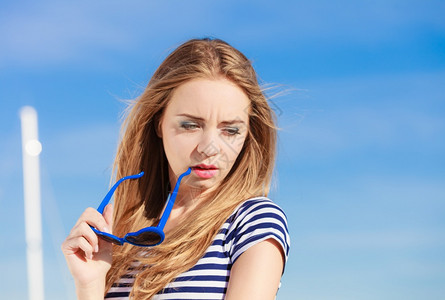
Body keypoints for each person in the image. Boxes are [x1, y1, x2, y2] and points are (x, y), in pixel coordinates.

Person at [62, 38, 290, 300]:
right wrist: (89, 284)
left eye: (230, 130)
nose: (209, 148)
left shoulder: (252, 221)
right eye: (191, 125)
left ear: (249, 134)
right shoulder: (124, 232)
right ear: (159, 123)